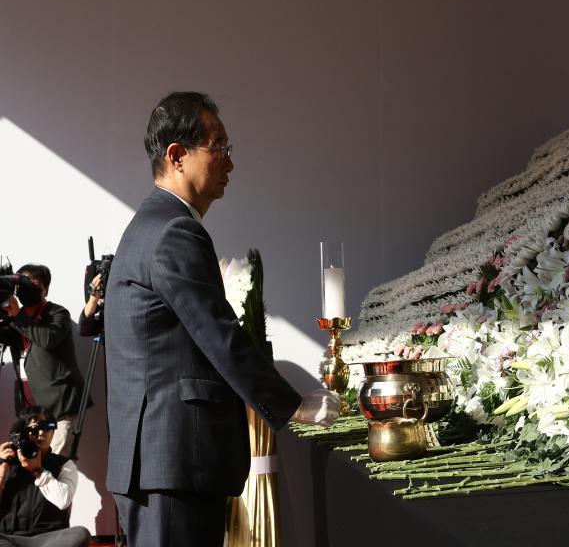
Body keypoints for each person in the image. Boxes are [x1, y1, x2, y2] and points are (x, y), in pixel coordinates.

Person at [105, 91, 340, 546]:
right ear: (177, 155)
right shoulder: (175, 230)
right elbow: (220, 337)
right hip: (173, 465)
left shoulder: (148, 225)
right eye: (219, 147)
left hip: (156, 463)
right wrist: (295, 405)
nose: (230, 163)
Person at [1, 266, 86, 457]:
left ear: (45, 290)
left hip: (59, 406)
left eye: (34, 285)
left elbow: (48, 339)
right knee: (32, 468)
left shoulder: (57, 314)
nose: (27, 289)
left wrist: (17, 317)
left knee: (56, 466)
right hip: (30, 409)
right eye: (23, 284)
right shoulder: (14, 318)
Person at [0, 407, 90, 547]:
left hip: (49, 538)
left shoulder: (64, 464)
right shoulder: (7, 460)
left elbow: (63, 500)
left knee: (80, 533)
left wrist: (38, 470)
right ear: (23, 432)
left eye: (48, 427)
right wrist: (2, 468)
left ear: (53, 432)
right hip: (9, 537)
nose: (42, 432)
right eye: (36, 428)